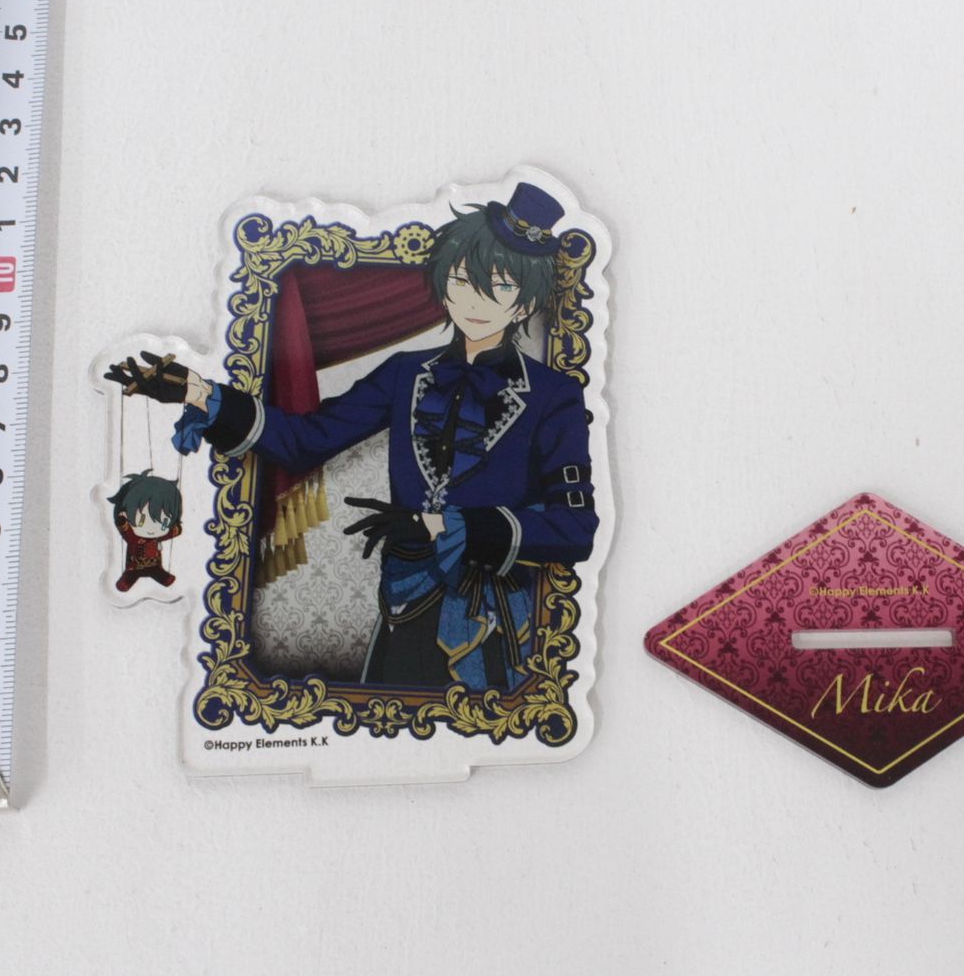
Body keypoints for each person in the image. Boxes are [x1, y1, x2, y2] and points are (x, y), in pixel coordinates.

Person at [106, 183, 598, 690]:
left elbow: (576, 529)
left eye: (500, 286)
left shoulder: (553, 395)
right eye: (463, 279)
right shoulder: (405, 373)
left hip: (491, 621)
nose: (476, 299)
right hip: (405, 604)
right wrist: (200, 393)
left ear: (525, 303)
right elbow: (305, 440)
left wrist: (445, 526)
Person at [107, 468, 183, 591]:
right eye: (141, 521)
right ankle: (126, 581)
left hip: (155, 566)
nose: (151, 530)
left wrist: (176, 529)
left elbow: (169, 533)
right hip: (134, 567)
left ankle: (162, 577)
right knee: (130, 576)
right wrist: (122, 522)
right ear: (125, 514)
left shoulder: (157, 538)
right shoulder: (134, 538)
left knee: (159, 573)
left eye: (164, 523)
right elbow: (126, 530)